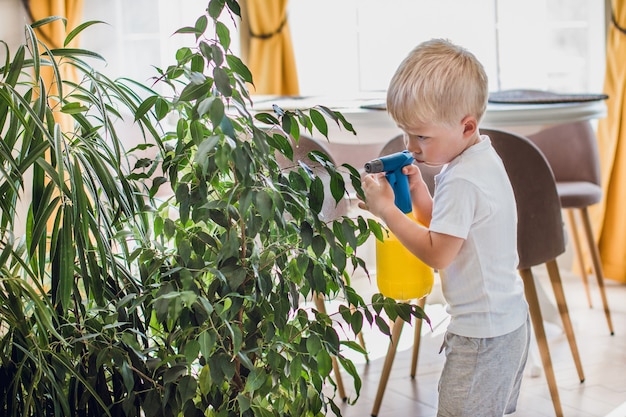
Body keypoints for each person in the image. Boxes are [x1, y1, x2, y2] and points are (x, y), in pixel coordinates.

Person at [360, 38, 530, 416]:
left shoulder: (463, 179)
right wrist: (419, 191)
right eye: (406, 134)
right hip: (509, 322)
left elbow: (439, 253)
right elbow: (453, 228)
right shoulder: (478, 159)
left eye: (422, 136)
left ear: (466, 125)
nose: (411, 146)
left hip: (482, 339)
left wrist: (388, 212)